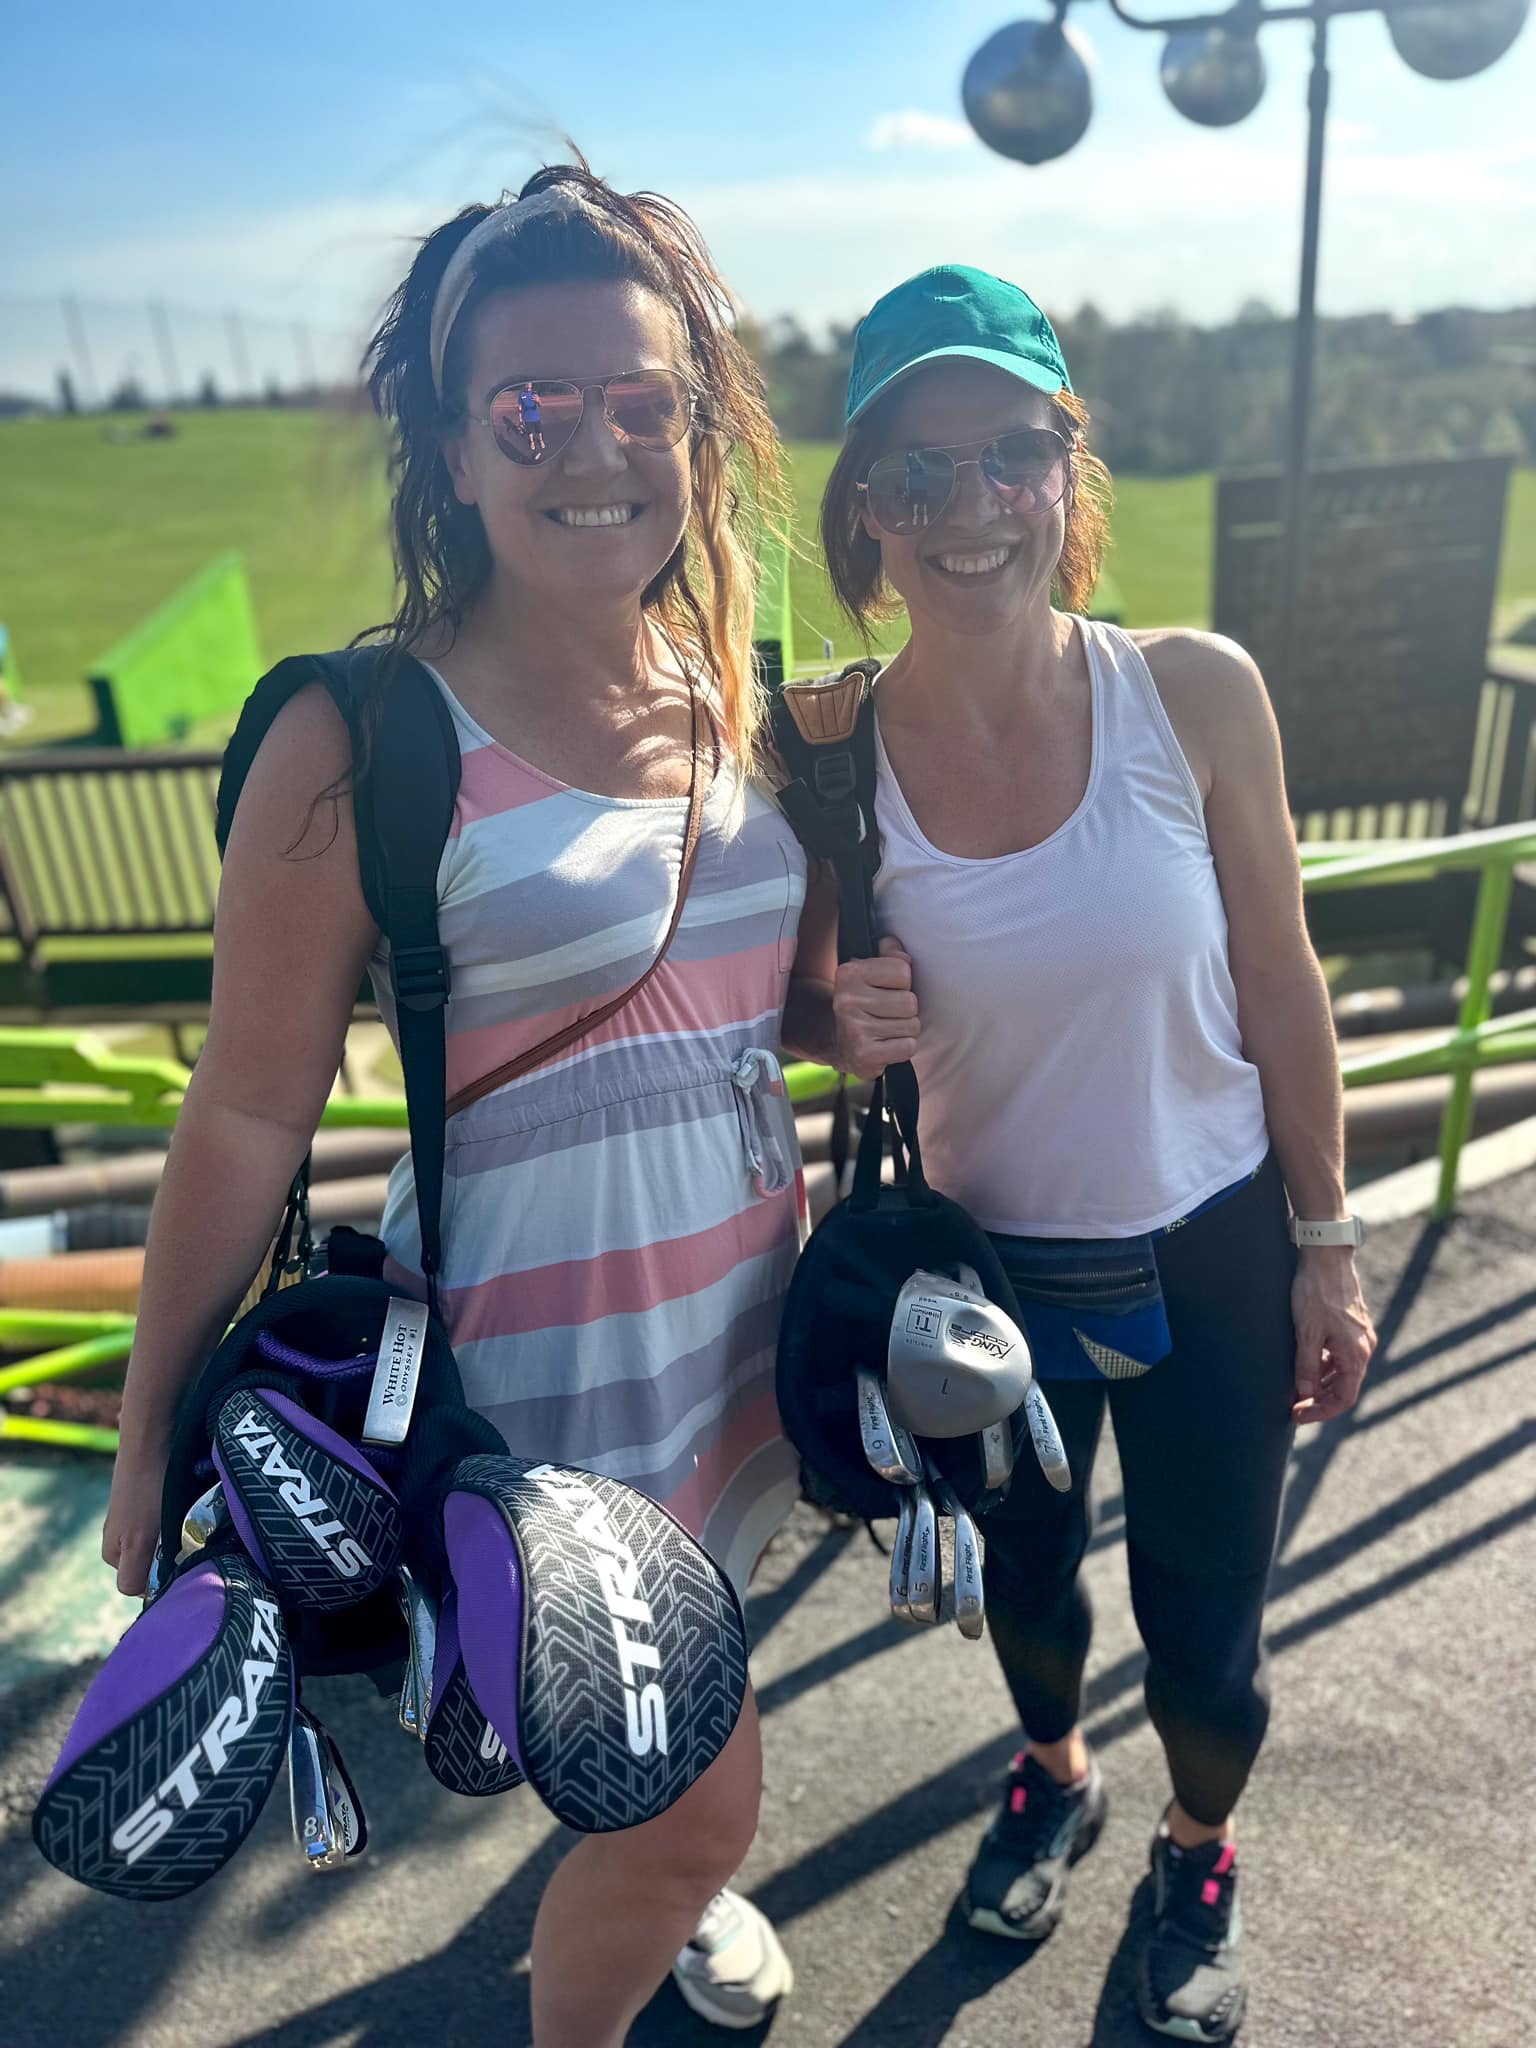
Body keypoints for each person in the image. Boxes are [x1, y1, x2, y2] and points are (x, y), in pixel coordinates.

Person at [100, 162, 827, 2046]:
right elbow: (246, 1114)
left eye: (640, 400)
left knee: (667, 1712)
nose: (594, 445)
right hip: (545, 1389)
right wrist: (150, 1429)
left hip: (735, 1335)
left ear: (698, 421)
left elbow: (733, 1000)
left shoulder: (727, 684)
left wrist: (853, 1004)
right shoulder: (362, 736)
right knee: (699, 1801)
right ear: (451, 437)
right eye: (531, 405)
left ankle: (652, 1870)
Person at [798, 265, 1378, 2042]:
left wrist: (1327, 1237)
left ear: (1070, 467)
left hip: (1209, 1246)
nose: (969, 510)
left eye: (1008, 456)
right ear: (866, 520)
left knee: (1207, 1633)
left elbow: (1280, 977)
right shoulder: (823, 743)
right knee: (1031, 1594)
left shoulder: (1192, 694)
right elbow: (807, 1009)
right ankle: (1053, 1773)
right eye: (917, 475)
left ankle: (1198, 1846)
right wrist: (838, 1018)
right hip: (987, 1279)